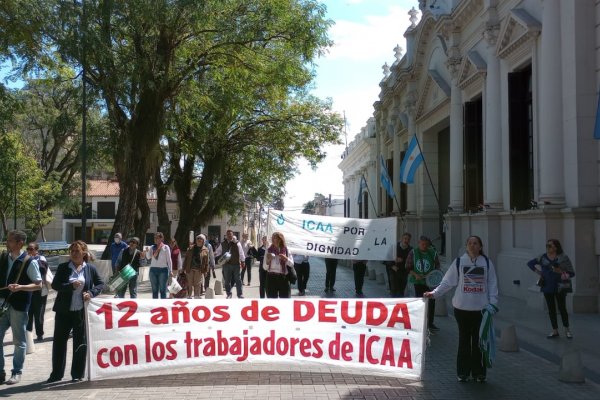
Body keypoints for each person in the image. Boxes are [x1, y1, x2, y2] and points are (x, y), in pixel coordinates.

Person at [424, 235, 498, 383]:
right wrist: (435, 293)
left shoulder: (487, 263)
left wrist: (493, 304)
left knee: (479, 342)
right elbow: (447, 282)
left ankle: (479, 373)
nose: (472, 245)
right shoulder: (459, 262)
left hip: (481, 310)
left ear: (480, 246)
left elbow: (492, 285)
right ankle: (463, 372)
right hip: (462, 309)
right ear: (466, 246)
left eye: (475, 243)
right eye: (470, 243)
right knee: (464, 341)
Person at [47, 240, 104, 383]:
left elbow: (100, 284)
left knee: (80, 343)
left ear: (84, 252)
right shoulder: (63, 267)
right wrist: (70, 286)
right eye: (72, 251)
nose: (73, 254)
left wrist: (90, 293)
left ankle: (77, 374)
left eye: (77, 251)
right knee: (59, 343)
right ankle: (56, 374)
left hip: (80, 312)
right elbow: (55, 285)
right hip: (63, 311)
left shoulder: (90, 268)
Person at [0, 230, 42, 385]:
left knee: (19, 342)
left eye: (10, 240)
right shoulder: (4, 257)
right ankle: (0, 372)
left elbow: (38, 285)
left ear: (20, 243)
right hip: (2, 305)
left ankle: (17, 372)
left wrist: (21, 287)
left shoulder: (29, 261)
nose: (7, 242)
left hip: (19, 306)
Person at [527, 239, 576, 339]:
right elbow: (530, 263)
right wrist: (538, 272)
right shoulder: (542, 257)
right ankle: (555, 331)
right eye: (547, 245)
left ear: (556, 247)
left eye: (550, 245)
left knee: (562, 308)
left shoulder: (563, 258)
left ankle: (567, 330)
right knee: (551, 309)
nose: (547, 247)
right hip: (547, 286)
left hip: (560, 287)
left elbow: (572, 273)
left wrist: (560, 271)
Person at [406, 235, 441, 331]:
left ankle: (430, 323)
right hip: (418, 282)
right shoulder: (413, 252)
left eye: (426, 244)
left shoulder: (433, 253)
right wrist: (415, 274)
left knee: (431, 302)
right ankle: (419, 322)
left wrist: (434, 276)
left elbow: (437, 267)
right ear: (419, 243)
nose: (424, 246)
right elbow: (408, 267)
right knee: (420, 301)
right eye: (422, 244)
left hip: (430, 282)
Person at [26, 242, 50, 341]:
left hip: (39, 290)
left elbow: (43, 270)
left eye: (31, 249)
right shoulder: (26, 259)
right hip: (28, 289)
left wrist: (33, 260)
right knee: (28, 314)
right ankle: (28, 334)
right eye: (28, 249)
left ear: (36, 250)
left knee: (39, 313)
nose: (29, 251)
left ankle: (39, 334)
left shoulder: (41, 259)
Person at [264, 232, 294, 298]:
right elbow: (265, 267)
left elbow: (291, 264)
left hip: (283, 278)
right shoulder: (269, 250)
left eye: (275, 238)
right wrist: (268, 260)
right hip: (271, 278)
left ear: (280, 239)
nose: (273, 240)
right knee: (272, 301)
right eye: (272, 238)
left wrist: (286, 259)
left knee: (285, 301)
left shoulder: (286, 250)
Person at [143, 232, 172, 299]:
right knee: (154, 290)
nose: (155, 239)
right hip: (153, 270)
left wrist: (170, 270)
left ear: (161, 239)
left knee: (162, 290)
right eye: (155, 238)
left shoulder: (165, 247)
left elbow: (169, 260)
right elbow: (148, 257)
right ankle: (155, 306)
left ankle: (163, 306)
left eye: (157, 238)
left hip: (163, 270)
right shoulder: (152, 247)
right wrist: (147, 251)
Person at [220, 230, 244, 299]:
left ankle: (240, 294)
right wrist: (213, 255)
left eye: (230, 234)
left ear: (232, 235)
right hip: (226, 265)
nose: (229, 236)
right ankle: (229, 294)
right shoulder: (223, 244)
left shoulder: (237, 243)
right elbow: (218, 251)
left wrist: (243, 261)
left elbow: (241, 253)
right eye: (228, 234)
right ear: (226, 235)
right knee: (227, 280)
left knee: (238, 280)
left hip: (236, 264)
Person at [184, 234, 210, 298]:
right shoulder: (190, 248)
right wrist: (183, 268)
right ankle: (189, 296)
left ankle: (196, 297)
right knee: (189, 284)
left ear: (203, 241)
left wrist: (206, 271)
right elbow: (186, 259)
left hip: (199, 270)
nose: (199, 240)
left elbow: (207, 262)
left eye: (200, 239)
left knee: (197, 284)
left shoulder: (206, 250)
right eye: (198, 238)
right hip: (190, 269)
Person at [390, 233, 412, 297]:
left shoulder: (410, 249)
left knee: (401, 290)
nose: (406, 240)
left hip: (404, 272)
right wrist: (392, 264)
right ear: (402, 238)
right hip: (394, 271)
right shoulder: (394, 247)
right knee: (394, 290)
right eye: (405, 238)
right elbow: (387, 258)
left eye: (408, 239)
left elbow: (411, 260)